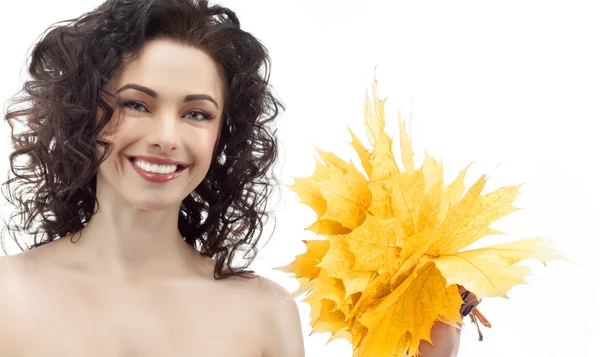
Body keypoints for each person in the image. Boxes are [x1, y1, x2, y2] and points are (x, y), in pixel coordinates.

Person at [0, 1, 478, 356]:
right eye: (137, 104)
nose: (167, 137)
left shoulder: (266, 314)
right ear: (86, 113)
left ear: (222, 136)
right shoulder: (8, 294)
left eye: (196, 113)